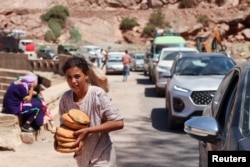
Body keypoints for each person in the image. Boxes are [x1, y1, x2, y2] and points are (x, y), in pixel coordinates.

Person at [57, 57, 124, 167]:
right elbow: (64, 126)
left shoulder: (97, 94)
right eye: (69, 77)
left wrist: (88, 130)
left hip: (103, 157)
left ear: (86, 75)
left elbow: (118, 122)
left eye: (77, 76)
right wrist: (60, 139)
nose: (73, 81)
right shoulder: (65, 98)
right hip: (82, 159)